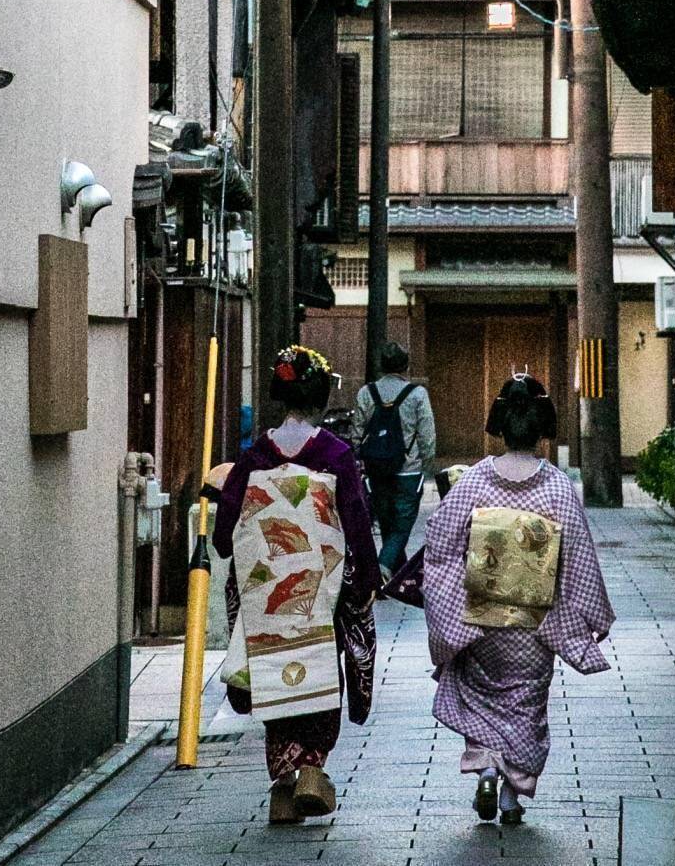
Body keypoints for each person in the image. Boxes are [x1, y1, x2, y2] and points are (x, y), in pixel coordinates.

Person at [421, 374, 613, 829]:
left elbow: (442, 544)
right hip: (533, 624)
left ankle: (486, 766)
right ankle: (510, 796)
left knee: (482, 695)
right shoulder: (556, 488)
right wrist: (593, 615)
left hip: (481, 621)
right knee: (526, 704)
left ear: (500, 425)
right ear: (543, 428)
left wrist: (456, 593)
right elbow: (579, 558)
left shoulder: (474, 483)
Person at [214, 344, 380, 825]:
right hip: (319, 594)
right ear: (322, 396)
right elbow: (356, 519)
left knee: (275, 679)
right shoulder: (335, 455)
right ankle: (311, 768)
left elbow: (226, 534)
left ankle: (283, 789)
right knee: (319, 676)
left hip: (268, 595)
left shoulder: (253, 458)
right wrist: (367, 578)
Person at [354, 340, 437, 579]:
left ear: (381, 366)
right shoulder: (417, 394)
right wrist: (426, 464)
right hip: (407, 468)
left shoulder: (366, 393)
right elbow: (427, 435)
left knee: (387, 522)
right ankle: (380, 570)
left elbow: (357, 431)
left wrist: (360, 457)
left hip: (376, 467)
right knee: (402, 525)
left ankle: (396, 572)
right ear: (406, 366)